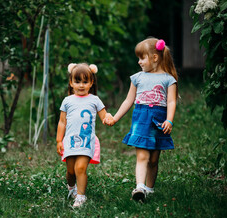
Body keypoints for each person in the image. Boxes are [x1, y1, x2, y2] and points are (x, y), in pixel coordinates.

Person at [104, 38, 178, 202]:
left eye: (142, 58)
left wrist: (169, 120)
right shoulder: (137, 78)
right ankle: (139, 187)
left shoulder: (168, 79)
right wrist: (115, 118)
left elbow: (172, 101)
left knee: (153, 160)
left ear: (155, 58)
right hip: (141, 120)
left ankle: (150, 188)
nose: (139, 62)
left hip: (158, 121)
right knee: (142, 157)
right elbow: (128, 101)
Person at [56, 63, 109, 208]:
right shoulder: (67, 101)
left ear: (91, 83)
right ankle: (71, 188)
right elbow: (62, 122)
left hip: (86, 141)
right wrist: (59, 140)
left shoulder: (94, 100)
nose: (81, 85)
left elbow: (104, 115)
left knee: (80, 168)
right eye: (77, 81)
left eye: (85, 82)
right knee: (70, 171)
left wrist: (108, 119)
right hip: (70, 141)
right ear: (71, 82)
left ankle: (80, 196)